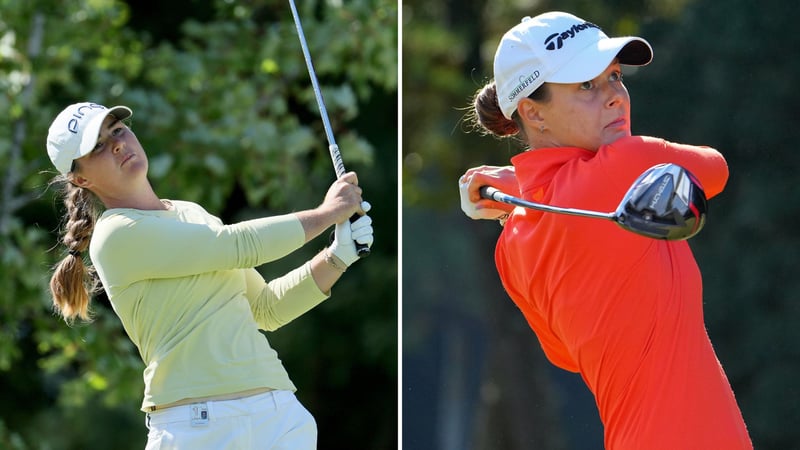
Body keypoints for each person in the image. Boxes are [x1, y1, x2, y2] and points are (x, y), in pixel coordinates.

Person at [459, 11, 752, 450]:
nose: (615, 96)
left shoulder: (512, 241)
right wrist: (525, 183)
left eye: (614, 75)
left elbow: (564, 354)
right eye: (586, 86)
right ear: (533, 114)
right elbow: (715, 169)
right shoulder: (627, 165)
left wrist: (525, 185)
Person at [46, 101, 373, 449]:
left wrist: (337, 257)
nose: (117, 144)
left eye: (117, 130)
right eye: (97, 146)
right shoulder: (115, 236)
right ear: (80, 178)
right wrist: (326, 213)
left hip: (278, 416)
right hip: (196, 429)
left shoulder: (190, 212)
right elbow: (236, 245)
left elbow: (266, 308)